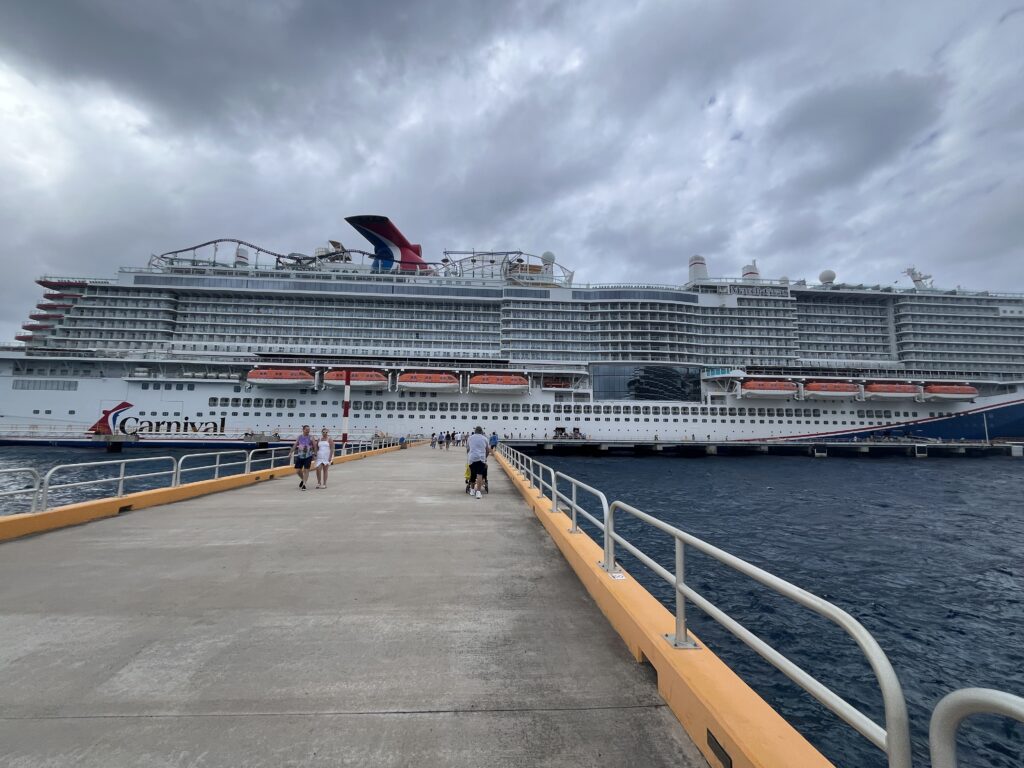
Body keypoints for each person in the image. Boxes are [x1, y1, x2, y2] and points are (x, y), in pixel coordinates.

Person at [466, 425, 490, 499]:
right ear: (481, 432)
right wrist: (485, 457)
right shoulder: (485, 438)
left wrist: (469, 456)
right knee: (479, 474)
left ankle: (472, 490)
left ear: (475, 431)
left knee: (472, 474)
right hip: (481, 458)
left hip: (472, 458)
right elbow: (487, 450)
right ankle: (478, 492)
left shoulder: (470, 438)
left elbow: (468, 449)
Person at [293, 425, 315, 490]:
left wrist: (315, 453)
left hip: (308, 455)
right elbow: (295, 444)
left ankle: (304, 484)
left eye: (309, 429)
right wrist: (291, 452)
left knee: (306, 470)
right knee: (298, 470)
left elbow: (315, 445)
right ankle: (303, 479)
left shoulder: (311, 437)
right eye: (307, 429)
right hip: (300, 455)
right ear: (303, 430)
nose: (308, 431)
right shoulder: (299, 437)